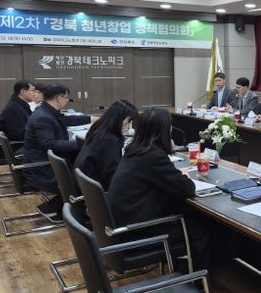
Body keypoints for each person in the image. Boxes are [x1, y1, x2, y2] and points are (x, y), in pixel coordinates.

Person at [108, 107, 210, 272]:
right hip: (137, 232)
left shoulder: (134, 149)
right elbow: (188, 189)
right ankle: (196, 278)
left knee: (184, 211)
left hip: (121, 225)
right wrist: (181, 176)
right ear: (163, 130)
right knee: (201, 228)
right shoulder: (153, 156)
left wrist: (174, 176)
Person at [22, 83, 91, 222]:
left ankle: (59, 207)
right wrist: (81, 143)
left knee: (84, 168)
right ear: (59, 98)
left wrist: (91, 119)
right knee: (87, 176)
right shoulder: (43, 117)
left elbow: (65, 120)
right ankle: (61, 208)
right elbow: (50, 144)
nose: (67, 101)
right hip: (42, 167)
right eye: (66, 98)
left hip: (46, 162)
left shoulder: (46, 111)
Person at [74, 100, 138, 190]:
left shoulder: (98, 129)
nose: (130, 127)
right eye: (129, 122)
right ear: (119, 120)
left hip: (87, 188)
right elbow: (113, 179)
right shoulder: (109, 141)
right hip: (99, 192)